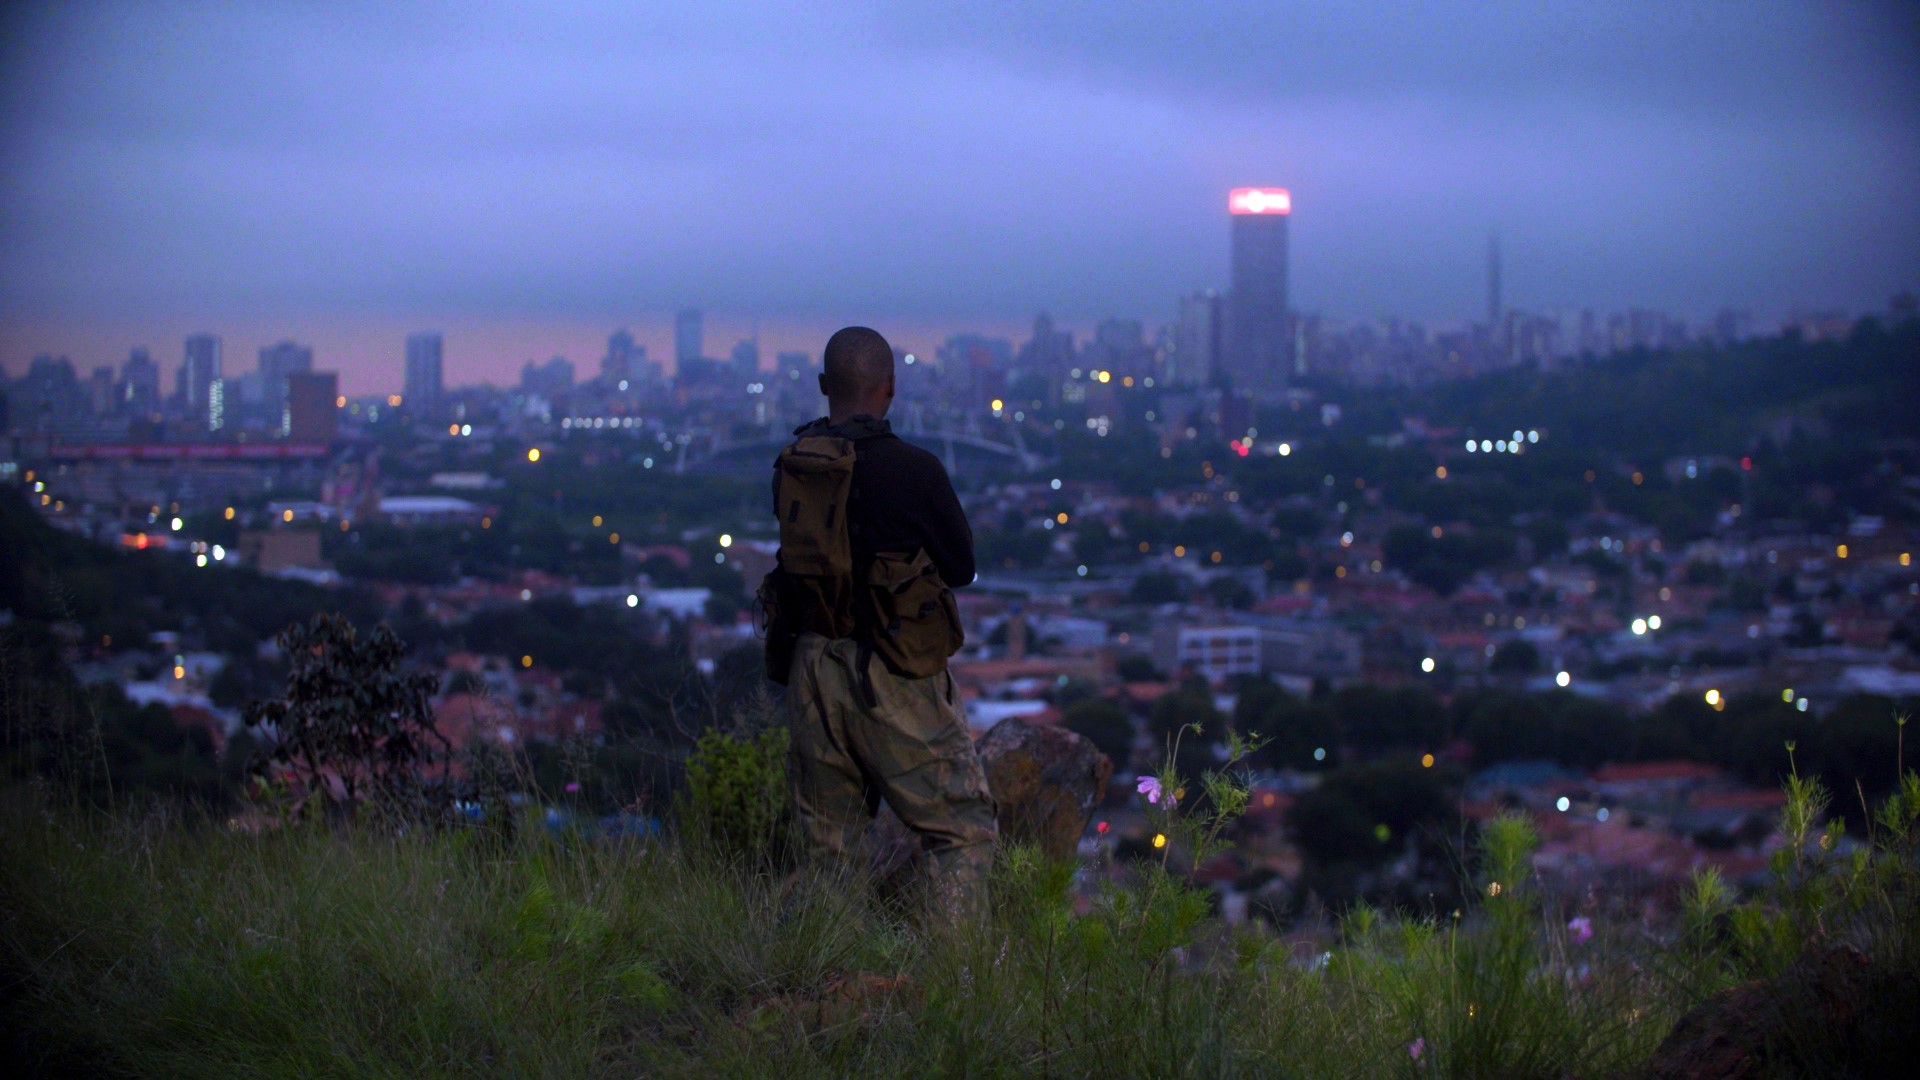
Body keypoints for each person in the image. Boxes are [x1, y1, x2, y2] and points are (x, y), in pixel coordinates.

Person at [768, 325, 996, 926]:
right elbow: (961, 567)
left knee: (831, 853)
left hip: (811, 666)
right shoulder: (914, 470)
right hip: (888, 669)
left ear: (824, 387)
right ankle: (958, 989)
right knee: (962, 831)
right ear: (890, 389)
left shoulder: (794, 465)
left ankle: (819, 987)